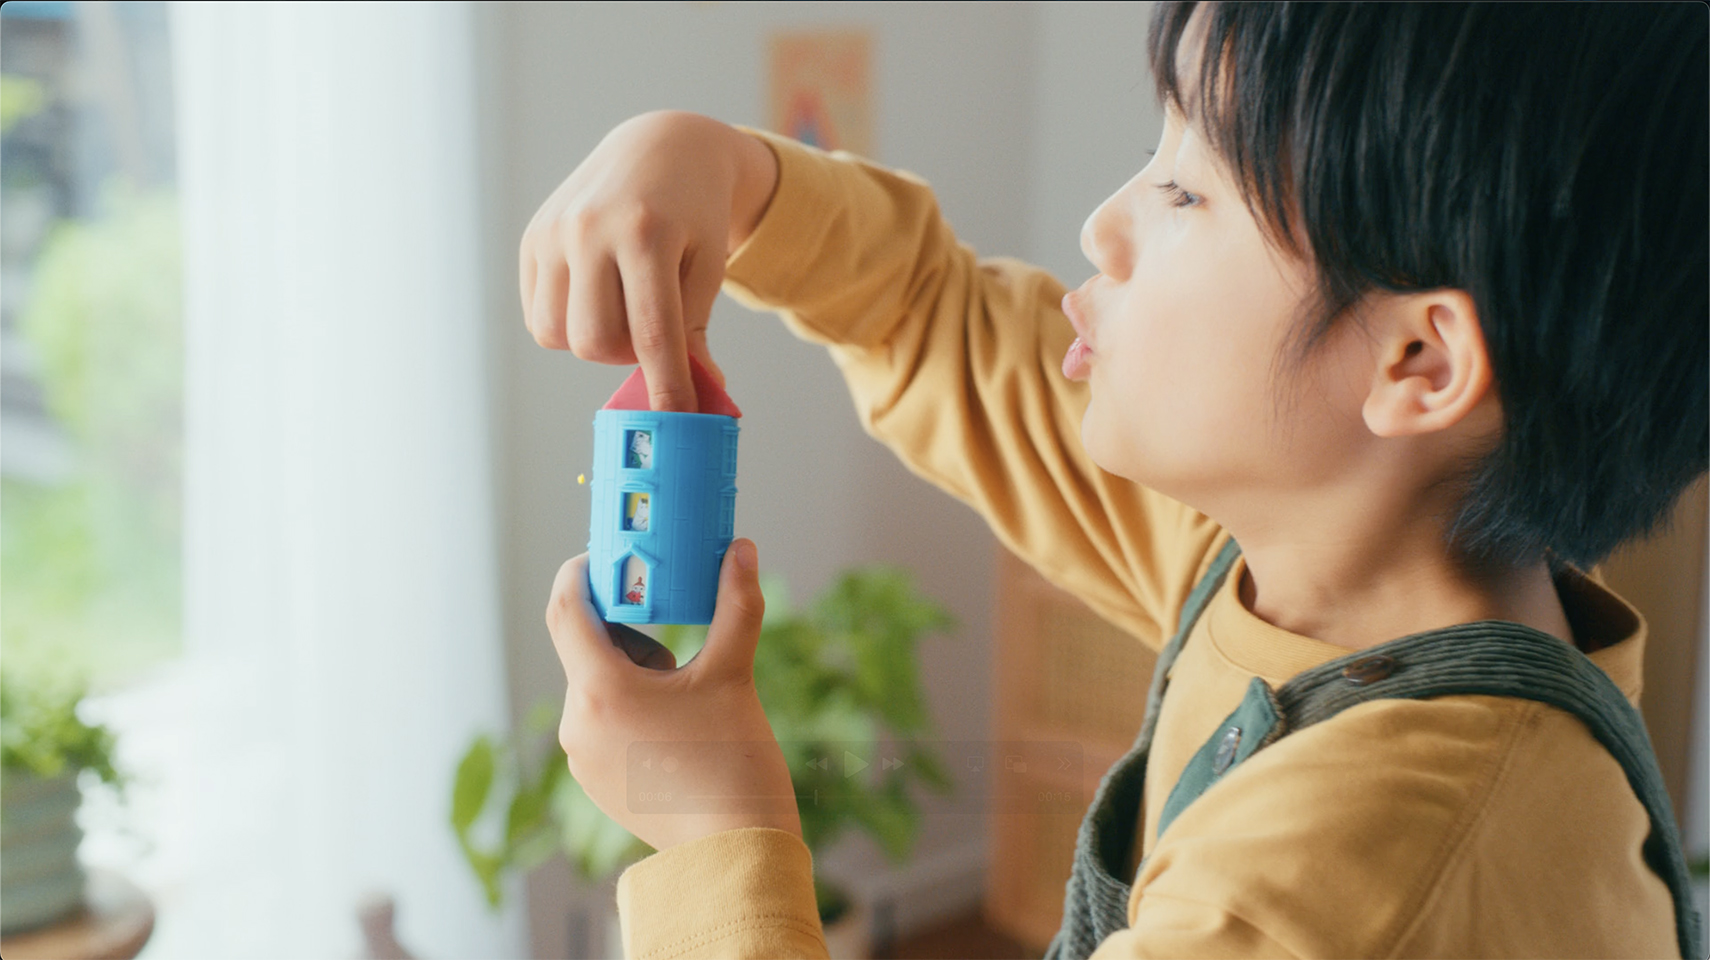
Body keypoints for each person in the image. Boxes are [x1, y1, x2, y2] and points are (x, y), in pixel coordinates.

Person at [524, 3, 1708, 957]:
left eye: (1186, 193)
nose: (1102, 227)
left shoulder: (1333, 895)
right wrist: (724, 170)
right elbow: (927, 313)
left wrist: (712, 832)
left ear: (1419, 362)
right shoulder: (1297, 559)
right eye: (1155, 158)